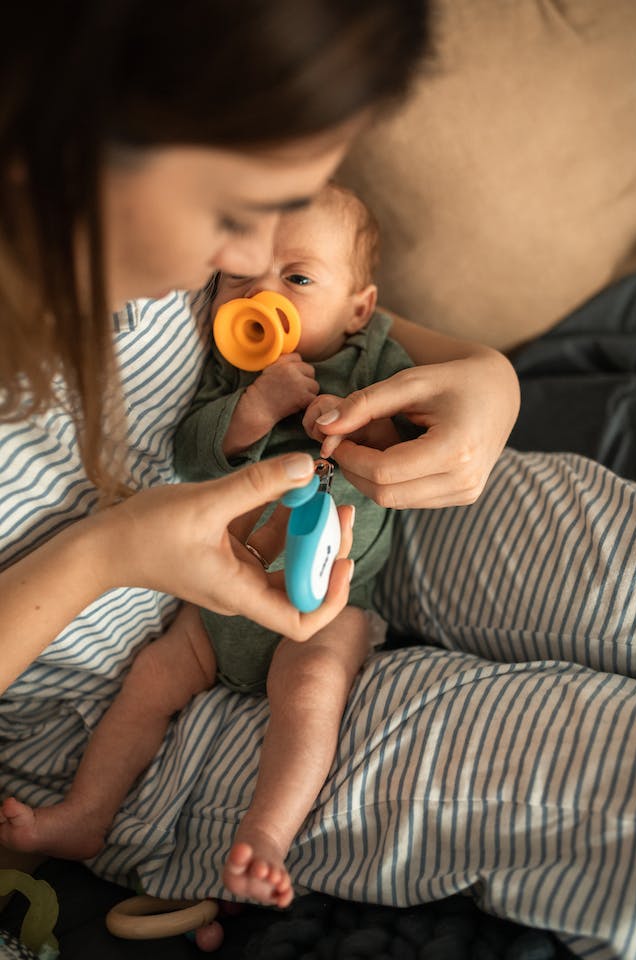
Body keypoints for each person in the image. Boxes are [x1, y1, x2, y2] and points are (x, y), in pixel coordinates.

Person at [1, 3, 636, 959]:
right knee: (603, 780)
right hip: (127, 713)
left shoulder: (192, 250)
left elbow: (335, 317)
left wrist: (481, 374)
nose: (253, 270)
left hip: (354, 517)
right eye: (231, 216)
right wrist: (106, 555)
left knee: (606, 556)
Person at [0, 181, 417, 908]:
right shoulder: (225, 371)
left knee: (313, 690)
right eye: (239, 282)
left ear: (359, 307)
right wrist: (253, 408)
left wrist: (363, 424)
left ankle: (266, 834)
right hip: (208, 603)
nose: (264, 293)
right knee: (151, 683)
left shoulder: (377, 356)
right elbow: (193, 455)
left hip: (323, 607)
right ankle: (86, 815)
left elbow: (407, 441)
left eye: (296, 279)